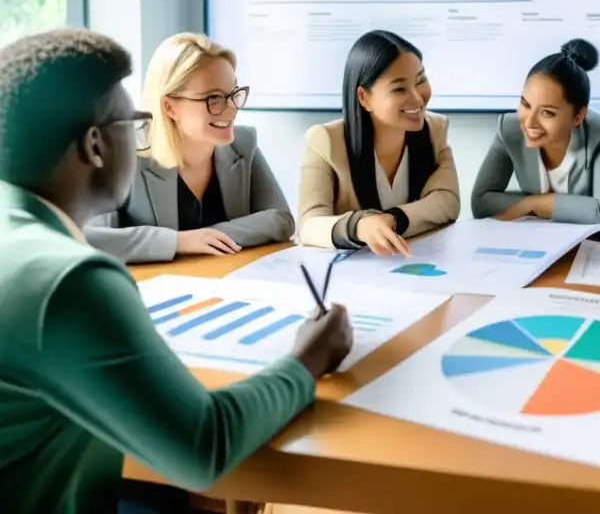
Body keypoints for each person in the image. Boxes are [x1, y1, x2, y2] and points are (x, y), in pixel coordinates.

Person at [0, 29, 353, 513]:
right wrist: (308, 360)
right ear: (96, 145)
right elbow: (202, 448)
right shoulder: (71, 282)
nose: (142, 136)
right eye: (134, 122)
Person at [84, 33, 294, 263]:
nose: (232, 109)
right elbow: (85, 236)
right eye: (214, 98)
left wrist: (211, 236)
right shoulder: (123, 154)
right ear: (170, 107)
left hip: (225, 279)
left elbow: (281, 219)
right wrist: (178, 241)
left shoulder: (244, 144)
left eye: (233, 94)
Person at [298, 30, 459, 255]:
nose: (417, 97)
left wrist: (393, 219)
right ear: (364, 98)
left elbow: (447, 201)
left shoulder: (435, 129)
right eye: (400, 88)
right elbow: (308, 225)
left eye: (420, 80)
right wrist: (358, 225)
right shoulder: (326, 140)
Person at [471, 39, 600, 224]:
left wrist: (533, 205)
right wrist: (534, 203)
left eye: (547, 113)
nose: (529, 121)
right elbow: (481, 203)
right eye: (525, 104)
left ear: (578, 117)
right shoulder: (509, 130)